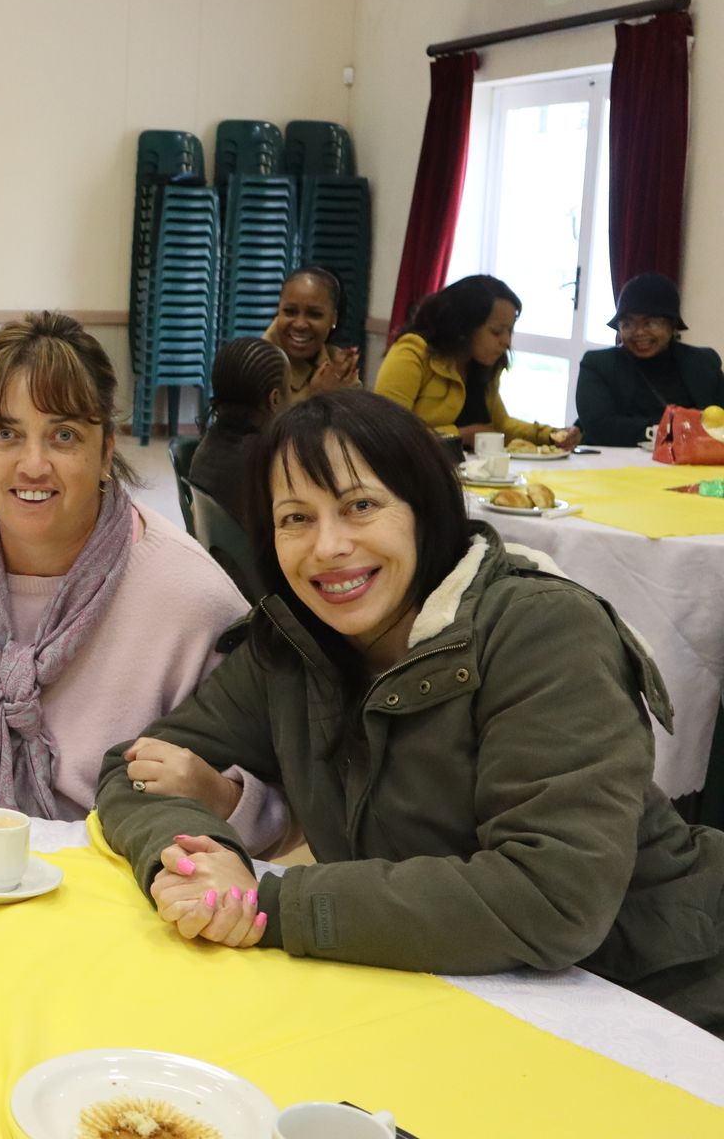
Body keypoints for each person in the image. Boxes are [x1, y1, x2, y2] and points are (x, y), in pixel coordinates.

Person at [95, 389, 724, 1035]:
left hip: (662, 995)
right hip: (464, 1003)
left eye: (360, 507)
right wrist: (199, 867)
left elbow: (552, 896)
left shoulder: (543, 632)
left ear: (424, 509)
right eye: (296, 519)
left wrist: (268, 902)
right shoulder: (292, 648)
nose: (328, 547)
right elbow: (133, 771)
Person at [0, 313, 288, 850]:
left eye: (64, 435)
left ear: (106, 450)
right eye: (6, 434)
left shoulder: (192, 600)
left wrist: (223, 800)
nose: (33, 464)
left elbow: (275, 805)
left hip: (124, 898)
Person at [374, 274, 581, 449]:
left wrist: (550, 435)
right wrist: (460, 434)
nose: (507, 342)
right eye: (496, 331)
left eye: (510, 331)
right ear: (464, 326)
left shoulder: (482, 365)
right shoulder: (412, 353)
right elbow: (387, 431)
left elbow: (501, 425)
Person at [575, 272, 724, 446]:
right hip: (615, 468)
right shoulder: (598, 365)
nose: (639, 332)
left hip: (692, 468)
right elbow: (600, 427)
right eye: (628, 324)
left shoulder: (704, 362)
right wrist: (674, 430)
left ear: (673, 326)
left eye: (651, 323)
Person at [190, 337, 288, 525]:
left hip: (219, 549)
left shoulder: (211, 441)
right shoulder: (268, 460)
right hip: (256, 552)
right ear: (274, 399)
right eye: (290, 389)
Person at [264, 266, 359, 402]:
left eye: (314, 314)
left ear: (333, 319)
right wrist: (320, 399)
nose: (300, 324)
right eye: (290, 311)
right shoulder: (254, 369)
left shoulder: (339, 369)